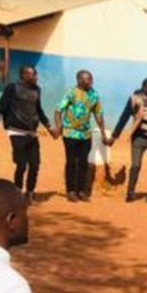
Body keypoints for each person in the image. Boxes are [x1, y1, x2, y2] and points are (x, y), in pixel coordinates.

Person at [0, 66, 54, 203]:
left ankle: (30, 193)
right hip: (16, 131)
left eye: (36, 74)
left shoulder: (37, 90)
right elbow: (1, 105)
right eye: (33, 74)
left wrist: (49, 127)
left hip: (32, 132)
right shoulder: (12, 88)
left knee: (35, 164)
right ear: (24, 75)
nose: (36, 77)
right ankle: (17, 192)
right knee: (21, 164)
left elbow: (39, 110)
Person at [55, 70, 106, 203]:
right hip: (70, 133)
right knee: (71, 162)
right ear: (79, 80)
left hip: (85, 134)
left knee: (83, 162)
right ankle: (71, 191)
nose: (91, 81)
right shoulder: (71, 92)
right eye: (88, 79)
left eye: (91, 79)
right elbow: (58, 110)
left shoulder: (94, 94)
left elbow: (99, 114)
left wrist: (103, 132)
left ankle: (81, 191)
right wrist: (58, 126)